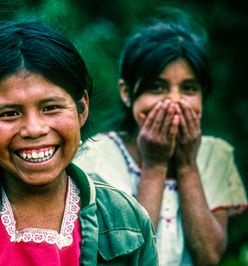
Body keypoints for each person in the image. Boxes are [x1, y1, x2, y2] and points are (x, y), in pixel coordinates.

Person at [0, 21, 158, 265]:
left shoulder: (126, 218)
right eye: (10, 113)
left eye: (51, 107)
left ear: (82, 109)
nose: (34, 129)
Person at [74, 14, 248, 266]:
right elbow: (129, 256)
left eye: (188, 89)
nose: (173, 101)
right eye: (157, 87)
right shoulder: (98, 158)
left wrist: (187, 165)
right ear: (127, 93)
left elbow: (208, 257)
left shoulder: (215, 156)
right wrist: (154, 164)